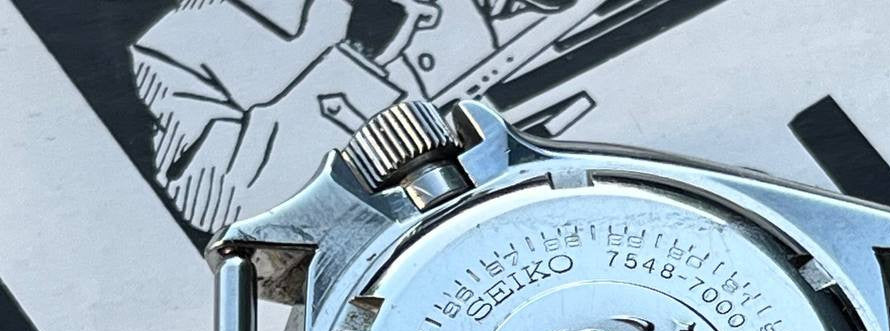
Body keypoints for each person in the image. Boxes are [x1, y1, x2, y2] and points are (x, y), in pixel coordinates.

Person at [131, 0, 586, 232]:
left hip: (538, 213)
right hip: (394, 271)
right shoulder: (175, 46)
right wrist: (351, 49)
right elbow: (224, 207)